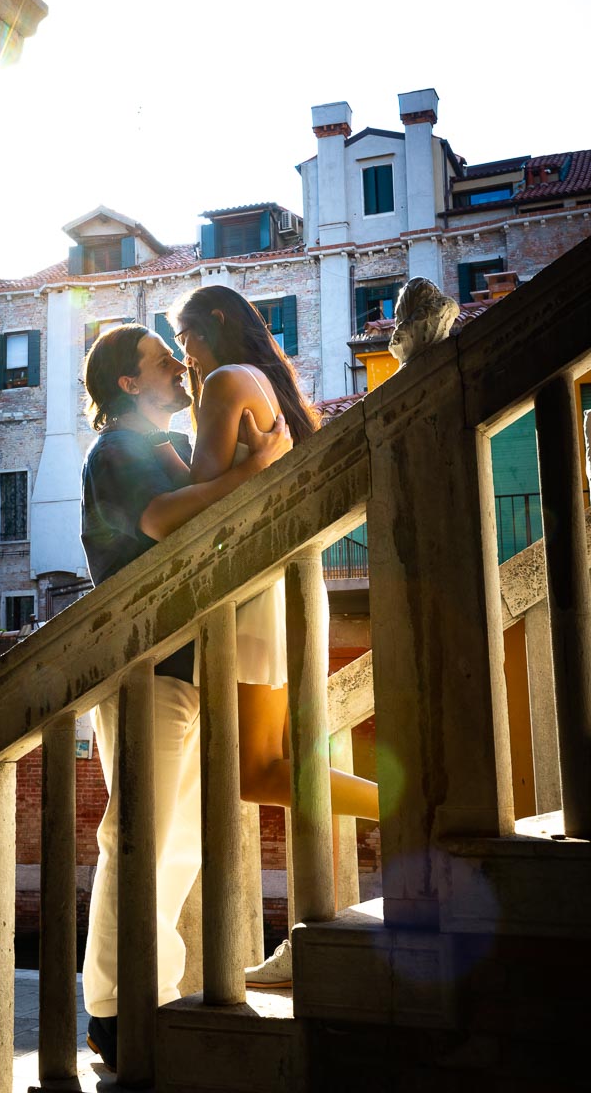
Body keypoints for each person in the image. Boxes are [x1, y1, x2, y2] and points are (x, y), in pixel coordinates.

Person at [80, 322, 292, 1069]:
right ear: (128, 384)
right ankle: (111, 1011)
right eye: (161, 361)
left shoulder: (162, 449)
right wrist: (255, 466)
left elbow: (203, 502)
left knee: (181, 845)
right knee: (136, 836)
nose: (179, 367)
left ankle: (152, 995)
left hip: (189, 661)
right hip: (142, 663)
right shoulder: (118, 449)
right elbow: (166, 519)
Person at [169, 285, 379, 988]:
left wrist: (215, 432)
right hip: (290, 589)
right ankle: (311, 932)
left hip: (258, 596)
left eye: (187, 337)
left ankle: (416, 811)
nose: (184, 354)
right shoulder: (270, 385)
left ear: (216, 324)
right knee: (279, 764)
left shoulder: (227, 383)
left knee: (259, 771)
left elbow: (202, 502)